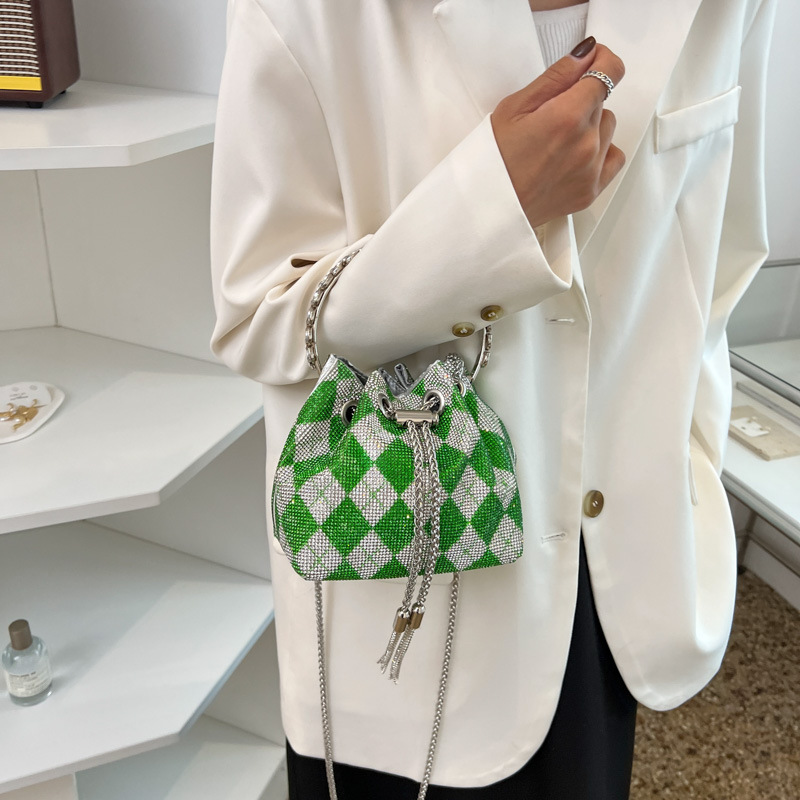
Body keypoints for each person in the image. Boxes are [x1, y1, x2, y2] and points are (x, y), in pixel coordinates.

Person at [209, 0, 777, 797]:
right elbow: (257, 320)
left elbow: (723, 262)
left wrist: (695, 456)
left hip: (616, 565)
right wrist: (491, 207)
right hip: (398, 576)